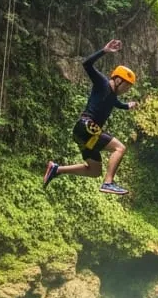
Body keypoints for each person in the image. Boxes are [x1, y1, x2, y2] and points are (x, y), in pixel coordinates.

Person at [43, 39, 138, 196]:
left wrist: (128, 106)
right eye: (126, 86)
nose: (126, 90)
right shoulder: (102, 83)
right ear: (118, 80)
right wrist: (104, 51)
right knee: (120, 148)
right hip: (86, 126)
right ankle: (108, 183)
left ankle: (56, 169)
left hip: (82, 134)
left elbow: (118, 104)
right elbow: (87, 64)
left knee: (94, 171)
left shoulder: (113, 96)